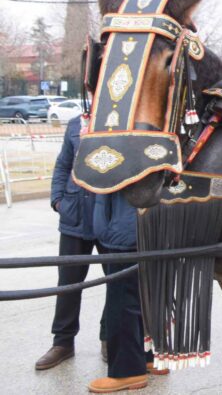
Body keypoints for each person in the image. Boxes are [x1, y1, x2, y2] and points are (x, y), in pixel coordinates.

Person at [34, 115, 107, 370]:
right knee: (68, 284)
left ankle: (109, 337)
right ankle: (62, 342)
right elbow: (63, 165)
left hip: (110, 217)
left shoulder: (122, 119)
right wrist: (58, 200)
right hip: (75, 215)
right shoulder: (76, 123)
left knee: (117, 281)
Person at [87, 182, 168, 392]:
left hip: (126, 228)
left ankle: (127, 371)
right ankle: (148, 357)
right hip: (147, 224)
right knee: (143, 298)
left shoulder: (126, 147)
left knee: (121, 303)